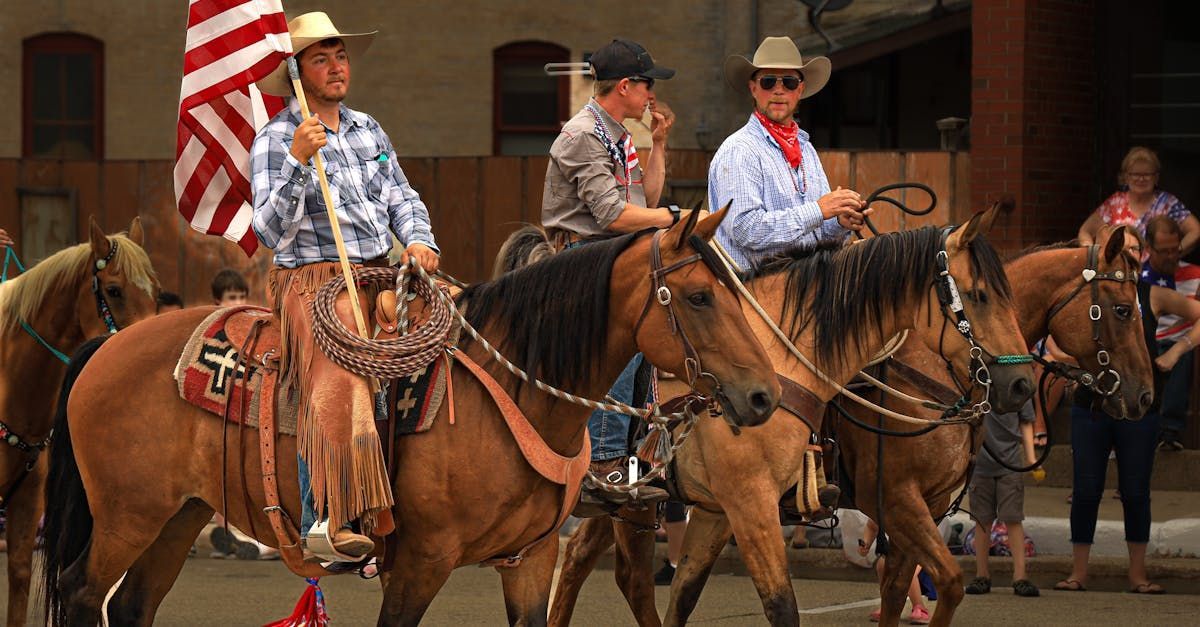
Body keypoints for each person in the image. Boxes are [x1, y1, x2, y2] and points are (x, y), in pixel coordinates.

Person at [252, 11, 440, 559]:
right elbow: (267, 230)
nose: (336, 68)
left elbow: (401, 196)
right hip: (310, 278)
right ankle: (326, 517)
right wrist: (297, 162)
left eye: (340, 57)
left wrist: (420, 240)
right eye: (320, 59)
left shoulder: (368, 129)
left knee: (455, 331)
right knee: (340, 369)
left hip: (378, 270)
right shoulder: (276, 138)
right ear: (297, 72)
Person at [541, 38, 678, 513]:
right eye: (647, 84)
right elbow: (611, 215)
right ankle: (603, 464)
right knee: (620, 347)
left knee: (643, 348)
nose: (651, 95)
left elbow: (646, 201)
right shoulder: (583, 135)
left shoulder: (618, 134)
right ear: (625, 85)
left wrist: (657, 142)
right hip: (582, 260)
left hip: (609, 254)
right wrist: (674, 221)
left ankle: (630, 460)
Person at [1057, 230, 1200, 594]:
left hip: (1137, 410)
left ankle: (1138, 576)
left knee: (1136, 492)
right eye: (1121, 248)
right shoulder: (1089, 294)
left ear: (1144, 254)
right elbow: (1054, 338)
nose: (1128, 254)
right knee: (1086, 490)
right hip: (1092, 406)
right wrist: (1073, 365)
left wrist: (1175, 350)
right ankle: (1078, 574)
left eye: (1135, 248)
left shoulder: (1152, 295)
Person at [708, 36, 868, 270]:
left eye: (789, 83)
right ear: (753, 88)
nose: (779, 90)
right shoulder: (739, 149)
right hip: (752, 295)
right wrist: (819, 210)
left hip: (800, 289)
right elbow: (746, 230)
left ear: (800, 90)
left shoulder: (806, 149)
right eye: (768, 82)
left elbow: (818, 233)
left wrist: (840, 222)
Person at [964, 400, 1040, 597]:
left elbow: (1026, 421)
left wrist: (1031, 458)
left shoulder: (1017, 388)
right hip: (980, 465)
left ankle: (1020, 576)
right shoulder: (979, 387)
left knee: (1013, 518)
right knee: (982, 520)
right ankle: (982, 575)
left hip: (1010, 465)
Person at [1140, 216, 1198, 451]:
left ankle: (1169, 431)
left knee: (1181, 353)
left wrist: (1180, 347)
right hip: (1146, 342)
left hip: (1181, 342)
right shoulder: (1137, 277)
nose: (1171, 256)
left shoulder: (1195, 275)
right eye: (1164, 251)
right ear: (1148, 249)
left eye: (1175, 249)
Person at [1077, 146, 1199, 255]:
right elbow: (1085, 231)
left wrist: (1174, 254)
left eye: (1147, 174)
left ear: (1156, 177)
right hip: (1120, 275)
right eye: (1135, 174)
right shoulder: (1115, 203)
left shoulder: (1167, 203)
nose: (1141, 179)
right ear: (1126, 177)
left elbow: (1195, 231)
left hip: (1155, 277)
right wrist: (1094, 256)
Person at [859, 518, 930, 624]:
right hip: (896, 548)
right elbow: (872, 526)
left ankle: (919, 605)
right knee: (881, 565)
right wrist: (866, 543)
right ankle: (887, 605)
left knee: (906, 569)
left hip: (921, 549)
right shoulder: (883, 508)